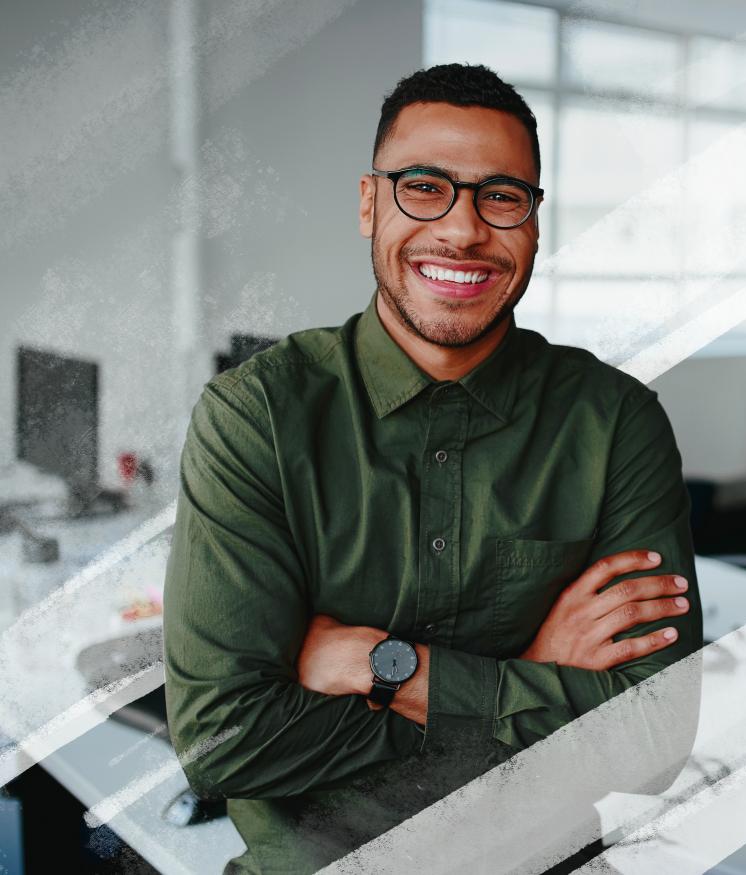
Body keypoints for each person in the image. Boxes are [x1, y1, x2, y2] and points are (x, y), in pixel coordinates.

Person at [163, 63, 703, 874]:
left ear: (535, 223)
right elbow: (223, 741)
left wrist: (380, 668)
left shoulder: (614, 422)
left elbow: (655, 742)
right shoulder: (258, 417)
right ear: (369, 202)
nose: (461, 230)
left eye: (501, 195)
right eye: (424, 186)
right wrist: (533, 678)